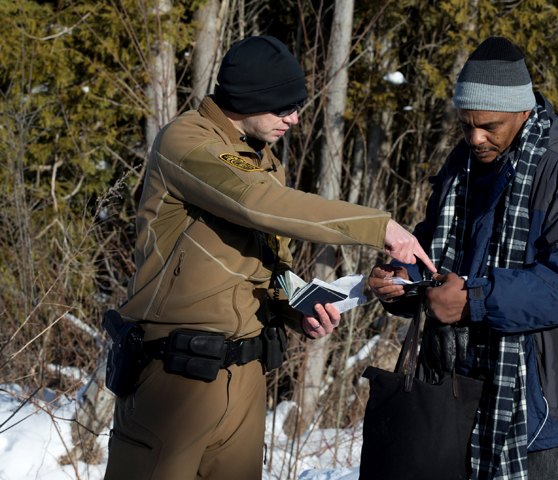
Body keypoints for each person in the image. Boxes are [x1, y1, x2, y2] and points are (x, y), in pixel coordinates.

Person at [105, 36, 435, 480]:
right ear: (248, 99)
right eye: (284, 108)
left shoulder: (263, 161)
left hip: (246, 377)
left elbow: (267, 266)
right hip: (175, 380)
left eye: (297, 106)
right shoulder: (186, 141)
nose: (295, 119)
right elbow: (257, 203)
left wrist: (296, 306)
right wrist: (381, 227)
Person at [369, 37, 558, 479]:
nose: (475, 137)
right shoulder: (462, 170)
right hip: (473, 388)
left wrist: (475, 300)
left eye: (489, 126)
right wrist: (402, 280)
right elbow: (435, 254)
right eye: (465, 125)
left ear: (523, 112)